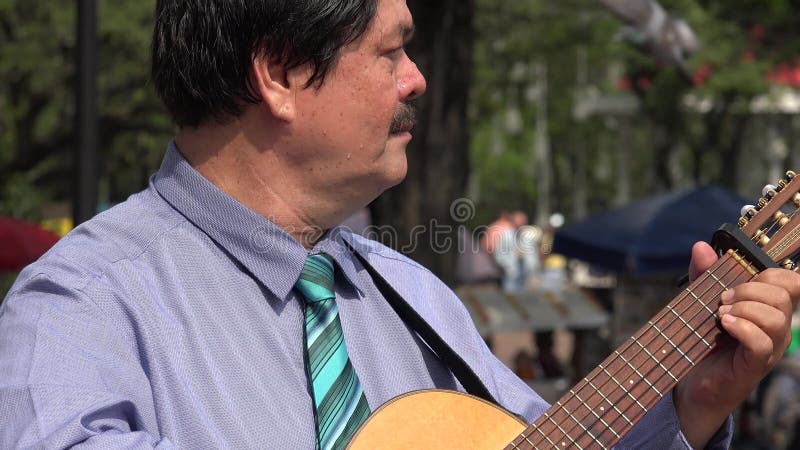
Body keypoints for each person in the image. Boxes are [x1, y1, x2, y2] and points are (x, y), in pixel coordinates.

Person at [0, 1, 797, 448]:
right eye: (391, 52)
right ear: (279, 74)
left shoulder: (416, 294)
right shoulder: (79, 304)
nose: (418, 78)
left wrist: (691, 405)